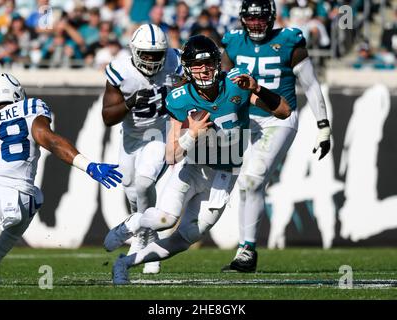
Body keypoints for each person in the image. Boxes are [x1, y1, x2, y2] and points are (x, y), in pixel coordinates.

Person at [105, 35, 291, 285]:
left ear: (218, 63)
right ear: (187, 68)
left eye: (208, 63)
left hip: (225, 173)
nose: (203, 70)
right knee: (164, 220)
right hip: (191, 167)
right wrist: (191, 134)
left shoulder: (237, 84)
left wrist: (257, 89)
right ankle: (134, 221)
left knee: (187, 238)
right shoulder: (180, 98)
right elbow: (171, 155)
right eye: (196, 65)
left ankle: (125, 263)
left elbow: (284, 112)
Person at [220, 0, 331, 273]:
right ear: (242, 18)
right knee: (245, 184)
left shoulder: (289, 40)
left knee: (251, 179)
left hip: (278, 118)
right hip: (244, 118)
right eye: (251, 18)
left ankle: (247, 249)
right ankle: (243, 249)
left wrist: (323, 125)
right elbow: (222, 83)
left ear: (271, 18)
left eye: (261, 18)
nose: (256, 23)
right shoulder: (232, 42)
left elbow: (312, 85)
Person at [0, 73, 122, 265]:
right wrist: (88, 166)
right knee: (35, 198)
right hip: (19, 196)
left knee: (34, 197)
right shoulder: (28, 108)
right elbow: (51, 141)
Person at [101, 23, 183, 274]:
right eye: (145, 54)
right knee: (131, 190)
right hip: (131, 137)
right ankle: (143, 232)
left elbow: (189, 86)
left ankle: (145, 236)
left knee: (145, 182)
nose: (150, 60)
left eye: (156, 55)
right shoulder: (120, 70)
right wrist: (130, 102)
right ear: (134, 51)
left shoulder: (175, 61)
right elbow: (107, 117)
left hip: (159, 131)